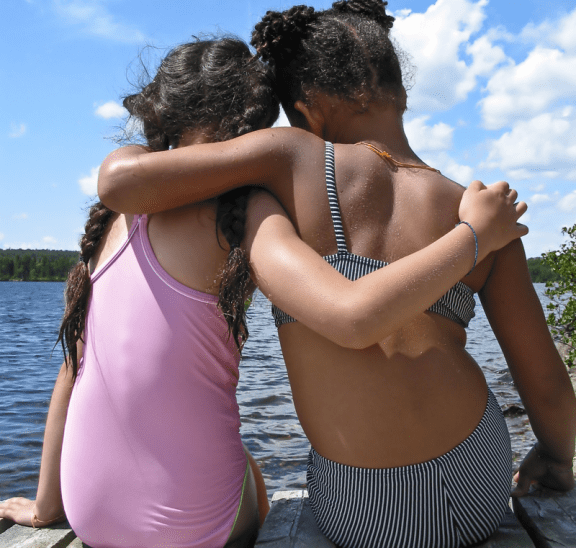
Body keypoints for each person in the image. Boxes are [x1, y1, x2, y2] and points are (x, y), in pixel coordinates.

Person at [0, 32, 528, 548]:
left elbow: (73, 367)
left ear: (159, 109)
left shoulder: (111, 217)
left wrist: (48, 505)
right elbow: (352, 316)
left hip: (90, 514)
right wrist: (474, 237)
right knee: (246, 467)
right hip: (197, 527)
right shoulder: (245, 214)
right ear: (251, 130)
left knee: (236, 457)